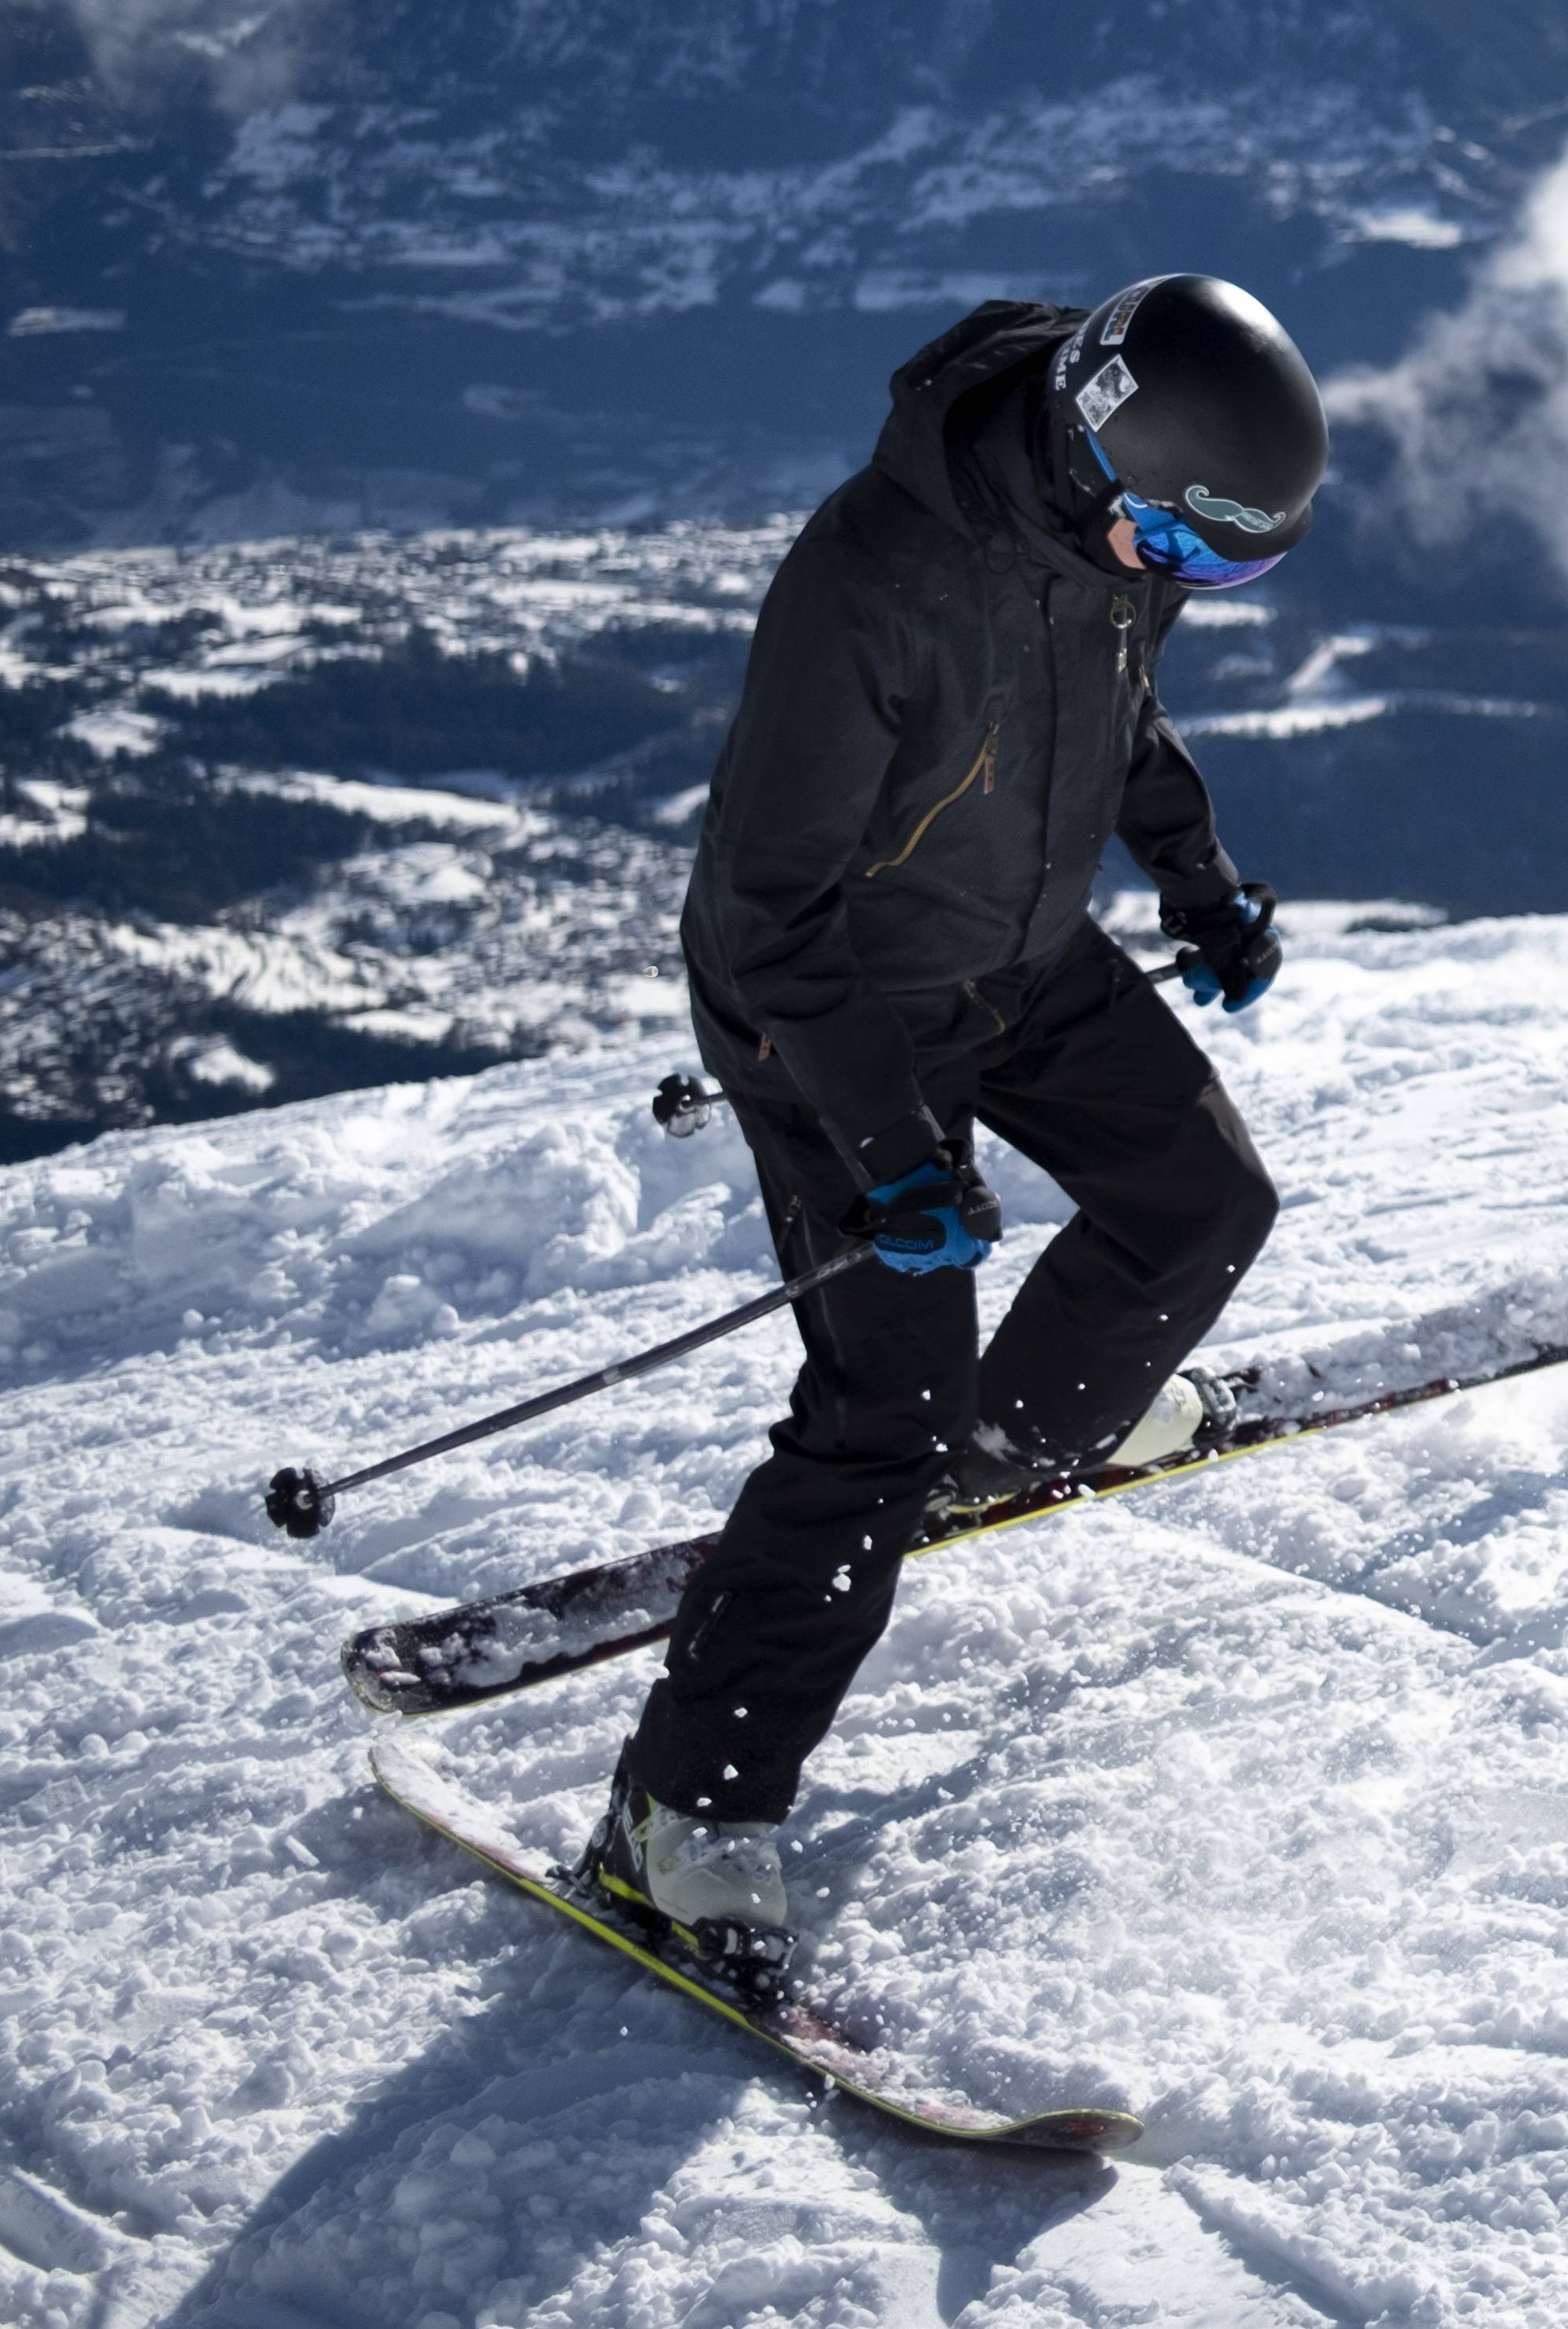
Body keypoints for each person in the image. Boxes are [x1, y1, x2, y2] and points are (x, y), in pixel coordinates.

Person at [584, 274, 1326, 2002]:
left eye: (1242, 567)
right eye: (1199, 552)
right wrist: (888, 1147)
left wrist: (1200, 883)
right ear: (1096, 457)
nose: (1198, 587)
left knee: (1200, 1195)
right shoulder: (873, 581)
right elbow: (763, 910)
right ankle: (676, 1812)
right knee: (874, 1411)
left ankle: (1024, 1427)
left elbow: (1119, 717)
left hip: (1019, 952)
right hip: (826, 1002)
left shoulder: (1109, 535)